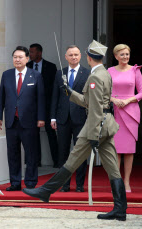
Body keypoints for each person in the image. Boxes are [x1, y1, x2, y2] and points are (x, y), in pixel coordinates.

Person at [23, 40, 128, 221]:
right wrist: (69, 92)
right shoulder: (104, 73)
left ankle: (45, 191)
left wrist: (94, 134)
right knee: (112, 167)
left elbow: (94, 108)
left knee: (72, 161)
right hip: (106, 125)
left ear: (88, 57)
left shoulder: (95, 77)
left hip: (95, 126)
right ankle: (120, 208)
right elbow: (90, 101)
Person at [0, 46, 46, 191]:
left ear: (27, 59)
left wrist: (41, 118)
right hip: (12, 120)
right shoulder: (6, 75)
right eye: (15, 57)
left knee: (31, 153)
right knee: (12, 153)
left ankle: (30, 182)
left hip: (30, 121)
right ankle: (15, 182)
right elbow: (1, 97)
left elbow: (41, 99)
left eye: (20, 57)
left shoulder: (35, 75)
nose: (17, 60)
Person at [50, 45, 90, 192]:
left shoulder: (87, 73)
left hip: (81, 118)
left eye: (76, 54)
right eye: (70, 55)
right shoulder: (60, 73)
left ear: (80, 56)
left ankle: (79, 185)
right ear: (66, 57)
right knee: (63, 152)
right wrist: (53, 117)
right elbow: (55, 96)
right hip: (62, 118)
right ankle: (64, 184)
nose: (73, 57)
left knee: (80, 153)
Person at [108, 44, 142, 193]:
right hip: (116, 111)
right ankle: (116, 183)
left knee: (129, 150)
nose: (125, 57)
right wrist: (113, 99)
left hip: (131, 112)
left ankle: (127, 182)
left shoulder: (135, 71)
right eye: (122, 54)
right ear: (116, 56)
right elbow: (104, 92)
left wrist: (128, 100)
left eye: (127, 54)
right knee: (116, 149)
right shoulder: (109, 71)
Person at [27, 43, 58, 167]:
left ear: (39, 53)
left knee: (51, 133)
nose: (30, 55)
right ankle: (36, 161)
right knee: (33, 134)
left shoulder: (51, 67)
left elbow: (54, 88)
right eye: (29, 52)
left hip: (47, 105)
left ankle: (57, 161)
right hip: (31, 106)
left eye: (32, 52)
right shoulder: (27, 66)